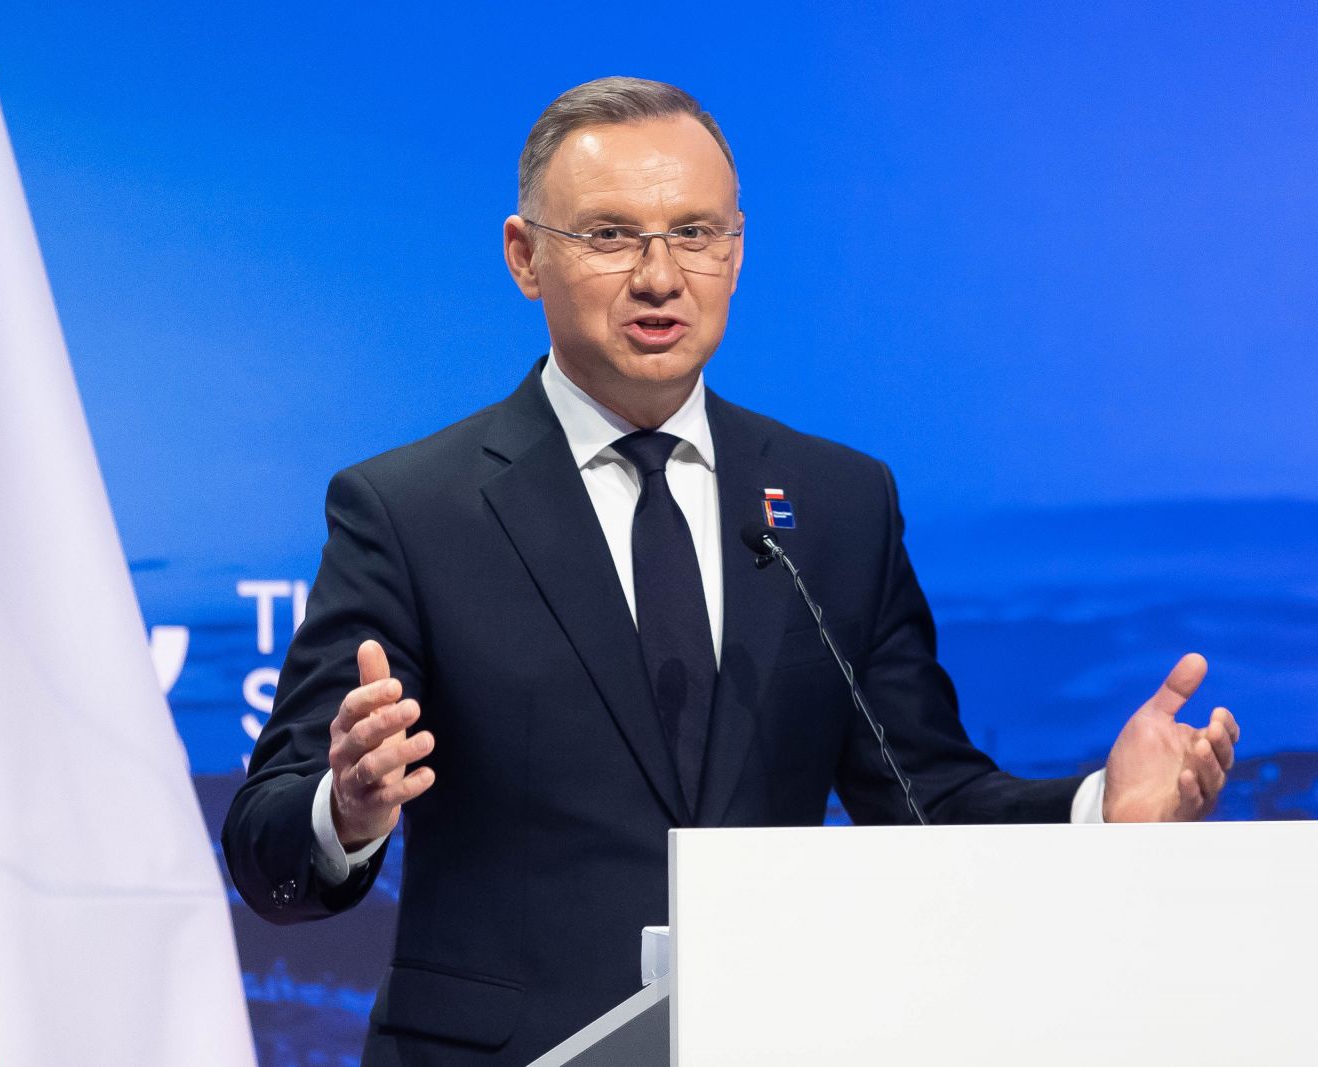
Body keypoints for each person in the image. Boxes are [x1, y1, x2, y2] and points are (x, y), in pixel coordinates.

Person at [221, 77, 1240, 1066]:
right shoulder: (411, 508)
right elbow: (266, 842)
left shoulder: (837, 502)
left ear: (737, 249)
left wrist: (1099, 808)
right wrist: (344, 810)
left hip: (767, 1038)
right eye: (611, 235)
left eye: (696, 233)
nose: (660, 276)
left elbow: (925, 795)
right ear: (525, 257)